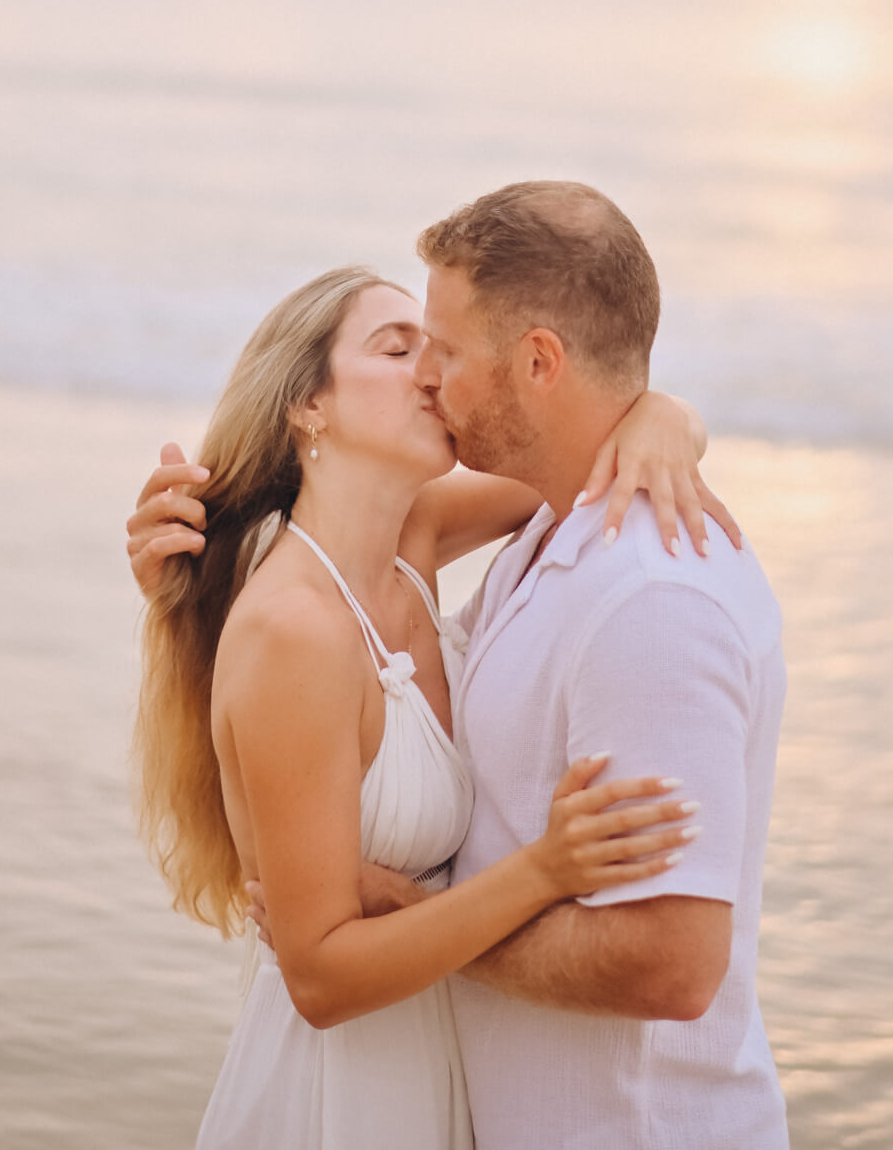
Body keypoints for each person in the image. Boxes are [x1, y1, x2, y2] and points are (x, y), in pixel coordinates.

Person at [132, 260, 732, 1150]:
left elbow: (575, 450)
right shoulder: (294, 627)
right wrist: (544, 873)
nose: (431, 371)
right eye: (394, 346)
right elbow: (322, 982)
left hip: (441, 1064)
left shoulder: (411, 540)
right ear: (309, 406)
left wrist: (664, 420)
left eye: (435, 347)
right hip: (344, 1099)